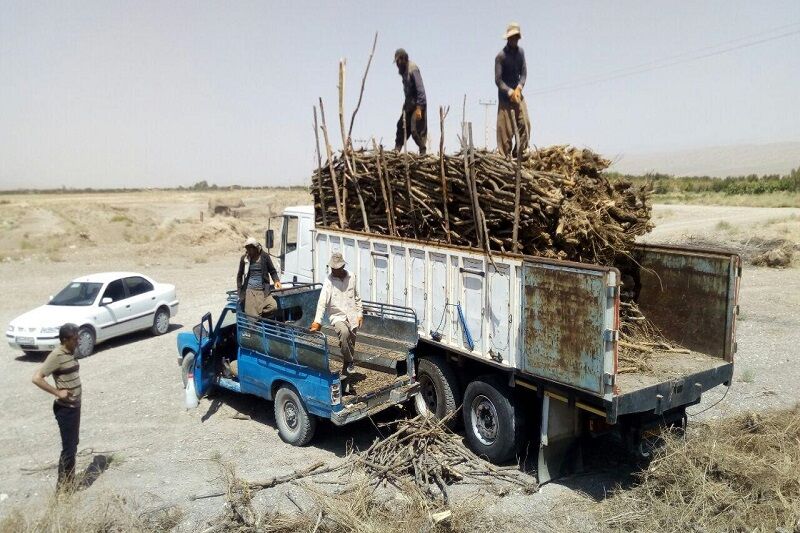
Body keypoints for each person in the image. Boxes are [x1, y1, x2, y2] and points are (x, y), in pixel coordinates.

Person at [31, 323, 82, 491]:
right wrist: (57, 392)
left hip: (75, 407)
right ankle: (62, 490)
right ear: (65, 339)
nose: (78, 341)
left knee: (73, 444)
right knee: (68, 449)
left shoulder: (70, 352)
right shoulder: (56, 355)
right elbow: (37, 378)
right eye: (75, 339)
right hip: (65, 409)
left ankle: (70, 483)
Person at [309, 252, 363, 374]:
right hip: (337, 316)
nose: (333, 270)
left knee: (350, 345)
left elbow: (357, 297)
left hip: (352, 316)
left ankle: (346, 374)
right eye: (332, 268)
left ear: (342, 267)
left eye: (336, 268)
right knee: (344, 333)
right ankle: (350, 361)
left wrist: (360, 314)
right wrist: (317, 321)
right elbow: (322, 302)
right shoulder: (328, 281)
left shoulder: (352, 277)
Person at [495, 22, 531, 157]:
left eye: (516, 37)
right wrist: (509, 92)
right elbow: (498, 80)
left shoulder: (521, 53)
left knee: (525, 123)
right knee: (505, 132)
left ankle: (519, 155)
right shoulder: (501, 57)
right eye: (512, 37)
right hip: (505, 99)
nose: (514, 39)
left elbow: (524, 73)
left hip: (518, 95)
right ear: (508, 38)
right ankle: (505, 159)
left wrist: (519, 88)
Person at [236, 236, 282, 319]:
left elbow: (272, 271)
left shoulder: (265, 256)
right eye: (247, 248)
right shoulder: (245, 259)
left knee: (273, 306)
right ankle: (255, 320)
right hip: (250, 291)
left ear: (255, 247)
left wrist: (276, 281)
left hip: (263, 291)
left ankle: (258, 314)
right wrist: (239, 291)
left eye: (251, 248)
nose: (249, 250)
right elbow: (239, 275)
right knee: (252, 319)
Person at [393, 48, 428, 155]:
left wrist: (419, 108)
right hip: (409, 106)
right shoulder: (404, 73)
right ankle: (396, 150)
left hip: (418, 105)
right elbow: (408, 93)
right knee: (401, 126)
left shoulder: (413, 69)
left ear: (403, 59)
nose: (397, 65)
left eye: (398, 62)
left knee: (415, 130)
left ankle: (423, 151)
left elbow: (420, 89)